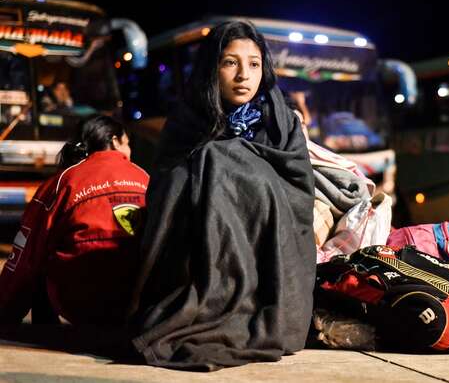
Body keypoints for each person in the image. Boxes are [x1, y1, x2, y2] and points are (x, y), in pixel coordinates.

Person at [129, 21, 316, 371]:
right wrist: (216, 168)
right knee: (209, 160)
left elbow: (298, 196)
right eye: (230, 62)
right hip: (196, 261)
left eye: (255, 63)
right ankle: (211, 301)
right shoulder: (187, 120)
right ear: (211, 68)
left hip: (271, 264)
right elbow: (165, 192)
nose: (244, 74)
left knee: (217, 158)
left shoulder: (281, 123)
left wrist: (237, 170)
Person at [0, 115, 149, 325]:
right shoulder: (144, 177)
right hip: (135, 304)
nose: (130, 151)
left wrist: (5, 310)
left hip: (81, 302)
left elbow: (26, 252)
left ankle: (46, 333)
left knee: (42, 248)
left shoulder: (64, 180)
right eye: (128, 144)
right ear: (115, 141)